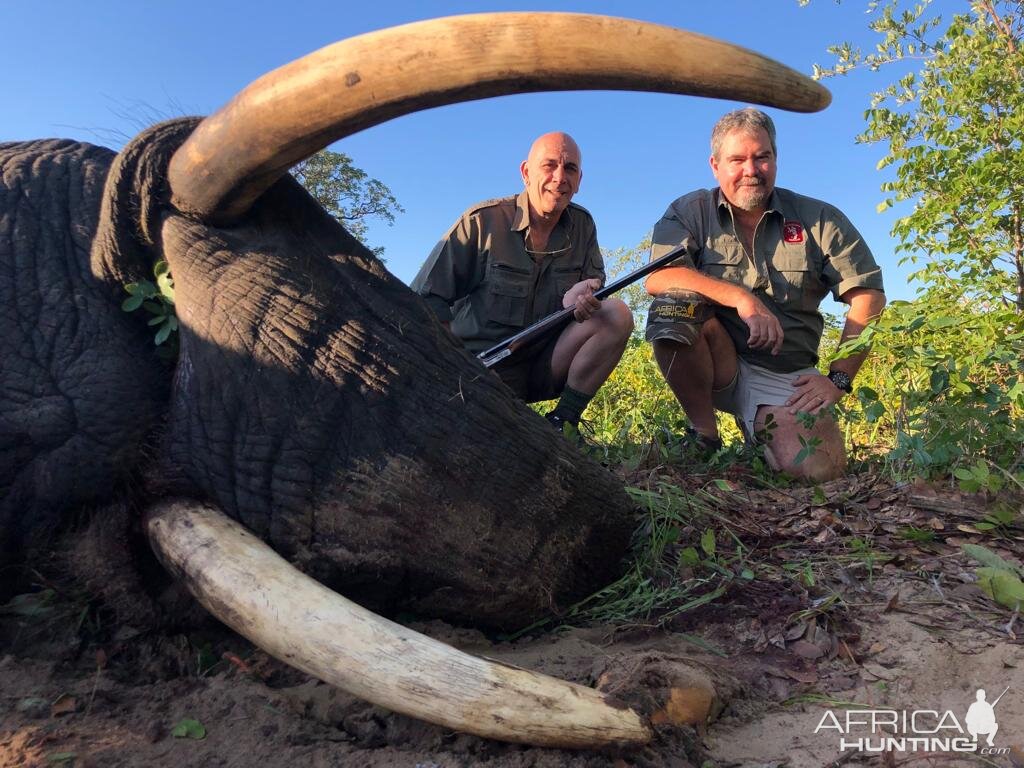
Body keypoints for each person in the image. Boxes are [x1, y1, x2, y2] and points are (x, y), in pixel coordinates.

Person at [644, 108, 886, 480]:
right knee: (672, 306)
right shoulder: (689, 210)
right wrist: (743, 299)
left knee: (818, 473)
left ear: (775, 158)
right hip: (716, 359)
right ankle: (703, 435)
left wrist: (838, 379)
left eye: (762, 157)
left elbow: (868, 296)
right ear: (715, 165)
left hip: (784, 373)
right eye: (737, 159)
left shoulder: (818, 217)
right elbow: (658, 277)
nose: (751, 171)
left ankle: (759, 428)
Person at [412, 131, 633, 432]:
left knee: (616, 313)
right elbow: (425, 298)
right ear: (526, 173)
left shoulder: (584, 225)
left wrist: (583, 296)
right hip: (480, 371)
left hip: (543, 366)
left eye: (569, 169)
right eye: (549, 165)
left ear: (580, 180)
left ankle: (563, 423)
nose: (559, 178)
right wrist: (455, 368)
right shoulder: (481, 221)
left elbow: (595, 286)